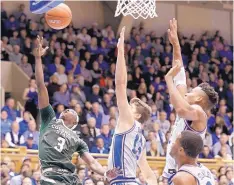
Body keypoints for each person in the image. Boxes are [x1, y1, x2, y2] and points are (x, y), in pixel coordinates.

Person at [33, 36, 119, 185]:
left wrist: (105, 172)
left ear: (75, 121)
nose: (68, 109)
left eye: (72, 110)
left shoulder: (77, 140)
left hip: (71, 178)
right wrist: (38, 59)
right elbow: (41, 87)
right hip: (51, 176)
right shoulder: (49, 119)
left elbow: (92, 162)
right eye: (67, 109)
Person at [163, 19, 219, 179]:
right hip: (172, 170)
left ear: (200, 100)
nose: (187, 93)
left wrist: (168, 80)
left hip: (185, 173)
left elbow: (180, 110)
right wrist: (175, 44)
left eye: (192, 92)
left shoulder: (199, 112)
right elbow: (179, 73)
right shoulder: (189, 105)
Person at [107, 27, 158, 185]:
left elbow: (120, 84)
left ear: (136, 115)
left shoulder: (128, 121)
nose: (126, 108)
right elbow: (149, 174)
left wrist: (121, 52)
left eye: (131, 107)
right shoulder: (141, 140)